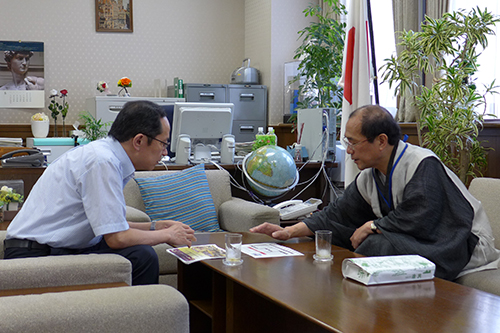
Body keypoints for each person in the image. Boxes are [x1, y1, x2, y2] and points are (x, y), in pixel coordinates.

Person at [251, 105, 500, 280]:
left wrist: (372, 226)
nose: (348, 151)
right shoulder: (370, 175)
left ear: (381, 141)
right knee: (334, 234)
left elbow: (422, 218)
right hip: (421, 238)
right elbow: (336, 214)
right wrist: (288, 231)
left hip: (461, 242)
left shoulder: (422, 163)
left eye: (353, 142)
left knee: (377, 244)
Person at [4, 100, 196, 285]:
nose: (165, 153)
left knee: (141, 254)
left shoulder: (105, 156)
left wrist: (156, 226)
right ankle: (137, 316)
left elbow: (109, 225)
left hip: (52, 247)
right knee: (143, 257)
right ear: (139, 140)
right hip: (34, 256)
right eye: (163, 143)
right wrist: (168, 235)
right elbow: (117, 237)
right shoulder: (102, 162)